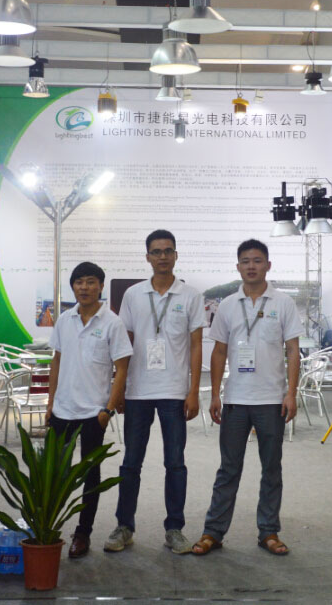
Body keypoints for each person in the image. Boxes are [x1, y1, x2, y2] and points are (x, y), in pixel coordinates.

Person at [192, 238, 302, 557]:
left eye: (257, 260)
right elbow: (219, 352)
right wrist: (216, 395)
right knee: (228, 468)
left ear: (268, 265)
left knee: (271, 469)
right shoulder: (228, 305)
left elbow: (293, 350)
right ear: (238, 266)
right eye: (245, 261)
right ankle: (213, 532)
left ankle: (269, 531)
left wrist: (291, 393)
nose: (251, 266)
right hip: (236, 400)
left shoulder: (283, 303)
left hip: (271, 400)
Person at [104, 230, 204, 555]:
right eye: (156, 251)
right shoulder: (134, 295)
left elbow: (196, 345)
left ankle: (174, 529)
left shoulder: (190, 295)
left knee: (175, 463)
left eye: (168, 251)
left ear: (176, 255)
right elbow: (125, 344)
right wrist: (118, 389)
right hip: (137, 392)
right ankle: (124, 526)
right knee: (131, 462)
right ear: (147, 257)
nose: (162, 256)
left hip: (174, 392)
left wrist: (193, 391)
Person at [46, 261, 133, 559]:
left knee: (90, 476)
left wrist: (108, 409)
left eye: (91, 282)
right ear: (73, 286)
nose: (84, 287)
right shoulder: (64, 320)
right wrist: (50, 402)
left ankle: (83, 533)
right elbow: (57, 361)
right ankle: (49, 527)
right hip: (62, 410)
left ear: (101, 286)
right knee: (54, 473)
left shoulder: (112, 323)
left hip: (93, 414)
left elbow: (122, 368)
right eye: (79, 282)